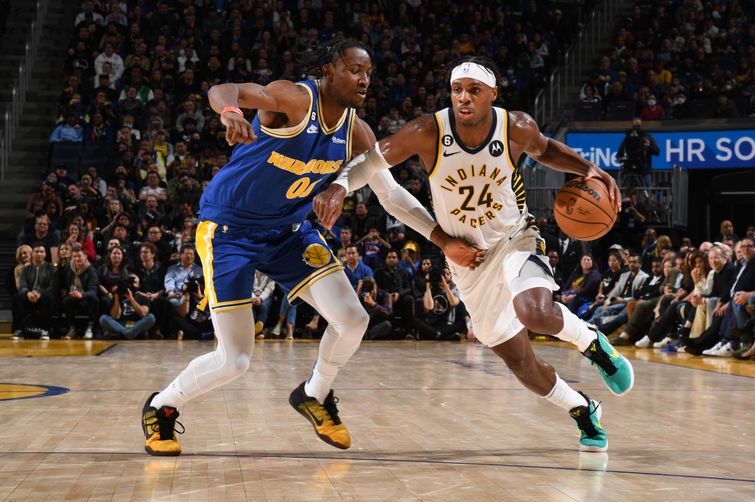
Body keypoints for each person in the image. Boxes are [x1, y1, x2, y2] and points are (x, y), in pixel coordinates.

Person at [141, 40, 483, 456]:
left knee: (353, 319)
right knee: (235, 360)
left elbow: (390, 196)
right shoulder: (295, 99)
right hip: (230, 231)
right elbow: (226, 89)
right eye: (355, 69)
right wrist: (231, 113)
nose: (364, 79)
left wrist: (444, 241)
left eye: (369, 73)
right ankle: (162, 406)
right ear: (328, 70)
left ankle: (314, 393)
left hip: (288, 232)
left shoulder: (357, 131)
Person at [316, 56, 634, 452]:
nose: (463, 98)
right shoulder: (427, 131)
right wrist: (340, 187)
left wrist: (589, 169)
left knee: (534, 311)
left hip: (514, 238)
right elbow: (371, 162)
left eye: (474, 91)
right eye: (457, 90)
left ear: (492, 95)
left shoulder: (514, 126)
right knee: (521, 364)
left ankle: (593, 344)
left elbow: (545, 149)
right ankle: (583, 409)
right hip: (467, 259)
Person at [12, 243, 58, 340]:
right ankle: (19, 330)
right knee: (17, 298)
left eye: (41, 251)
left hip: (43, 296)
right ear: (32, 253)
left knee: (49, 297)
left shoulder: (52, 268)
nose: (39, 254)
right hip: (30, 295)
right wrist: (28, 293)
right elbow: (22, 285)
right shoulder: (26, 269)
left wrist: (40, 294)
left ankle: (45, 330)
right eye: (36, 251)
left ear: (45, 254)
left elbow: (52, 286)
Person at [98, 273, 157, 340]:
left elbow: (143, 313)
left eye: (134, 282)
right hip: (119, 324)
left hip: (136, 324)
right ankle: (129, 334)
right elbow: (115, 316)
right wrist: (116, 296)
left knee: (151, 317)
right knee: (103, 318)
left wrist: (131, 298)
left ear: (139, 285)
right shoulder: (119, 295)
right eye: (129, 282)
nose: (131, 284)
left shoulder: (143, 297)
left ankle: (122, 335)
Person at [61, 245, 99, 340]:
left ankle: (90, 327)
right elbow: (63, 281)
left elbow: (93, 291)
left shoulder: (91, 270)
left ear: (85, 256)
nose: (77, 259)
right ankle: (72, 328)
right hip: (72, 295)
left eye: (79, 256)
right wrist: (63, 289)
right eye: (74, 256)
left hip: (85, 297)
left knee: (94, 299)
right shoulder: (68, 267)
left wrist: (81, 294)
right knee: (66, 301)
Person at [615, 117, 659, 188]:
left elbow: (657, 152)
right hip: (630, 168)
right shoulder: (628, 138)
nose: (636, 128)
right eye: (634, 126)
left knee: (648, 188)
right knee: (627, 188)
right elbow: (619, 153)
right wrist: (619, 158)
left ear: (641, 126)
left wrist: (648, 146)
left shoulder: (647, 137)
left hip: (644, 168)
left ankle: (648, 198)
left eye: (638, 126)